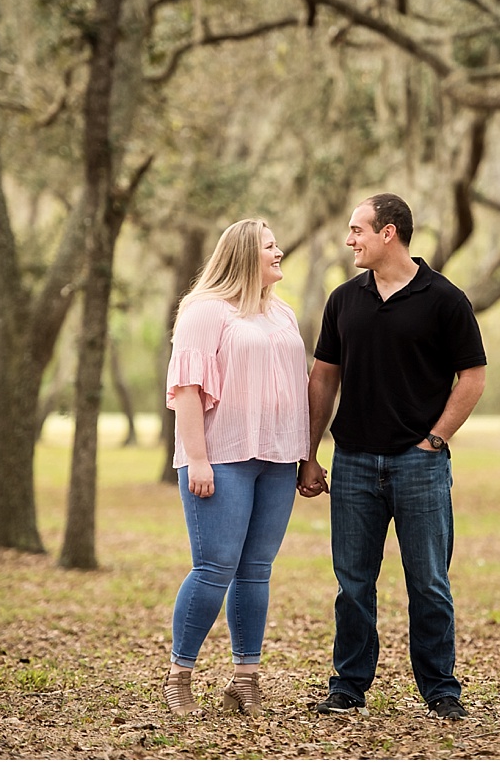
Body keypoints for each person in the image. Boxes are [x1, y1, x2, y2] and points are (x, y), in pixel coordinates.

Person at [297, 193, 486, 721]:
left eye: (357, 229)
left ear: (389, 233)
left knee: (428, 581)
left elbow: (473, 375)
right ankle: (348, 686)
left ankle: (441, 689)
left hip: (418, 463)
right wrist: (309, 455)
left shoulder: (445, 299)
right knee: (353, 584)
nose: (349, 239)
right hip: (354, 462)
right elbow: (323, 377)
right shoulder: (343, 299)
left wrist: (436, 439)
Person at [163, 218, 310, 717]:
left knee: (256, 572)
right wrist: (198, 458)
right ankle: (179, 676)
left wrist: (306, 454)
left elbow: (298, 390)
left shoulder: (283, 314)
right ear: (246, 255)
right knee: (213, 569)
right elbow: (186, 390)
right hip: (221, 458)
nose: (280, 252)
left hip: (277, 458)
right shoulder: (204, 312)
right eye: (271, 246)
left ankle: (245, 680)